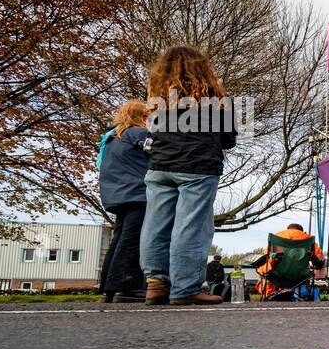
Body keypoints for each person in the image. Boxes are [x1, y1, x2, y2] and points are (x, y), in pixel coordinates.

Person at [140, 45, 236, 306]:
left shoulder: (157, 97)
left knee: (156, 224)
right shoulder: (216, 99)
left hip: (160, 165)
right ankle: (185, 288)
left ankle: (156, 284)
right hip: (198, 166)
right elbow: (229, 140)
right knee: (191, 228)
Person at [98, 100, 152, 302]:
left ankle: (108, 288)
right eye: (147, 116)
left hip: (117, 194)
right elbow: (158, 153)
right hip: (137, 192)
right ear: (141, 116)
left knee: (119, 238)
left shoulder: (112, 138)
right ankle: (126, 286)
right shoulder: (137, 133)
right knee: (133, 239)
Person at [249, 223, 325, 299]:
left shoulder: (277, 238)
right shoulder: (308, 240)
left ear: (288, 229)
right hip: (300, 277)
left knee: (264, 272)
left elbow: (267, 257)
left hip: (277, 275)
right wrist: (317, 264)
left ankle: (270, 295)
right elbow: (319, 261)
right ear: (301, 231)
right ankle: (300, 296)